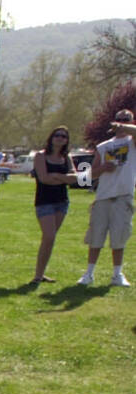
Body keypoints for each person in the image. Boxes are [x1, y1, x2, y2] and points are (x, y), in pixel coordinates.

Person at [78, 109, 136, 287]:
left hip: (123, 197)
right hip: (103, 197)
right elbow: (87, 176)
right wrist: (102, 168)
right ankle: (89, 273)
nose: (121, 123)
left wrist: (124, 127)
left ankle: (117, 275)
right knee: (96, 236)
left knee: (119, 237)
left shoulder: (132, 142)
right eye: (119, 120)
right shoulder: (103, 146)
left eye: (126, 120)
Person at [30, 126, 77, 283]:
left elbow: (75, 178)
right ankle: (37, 276)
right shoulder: (40, 156)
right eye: (57, 135)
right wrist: (63, 177)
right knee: (49, 236)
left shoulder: (67, 157)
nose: (60, 138)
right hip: (44, 202)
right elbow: (44, 178)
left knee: (50, 239)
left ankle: (40, 274)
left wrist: (56, 175)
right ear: (51, 137)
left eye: (64, 136)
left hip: (62, 202)